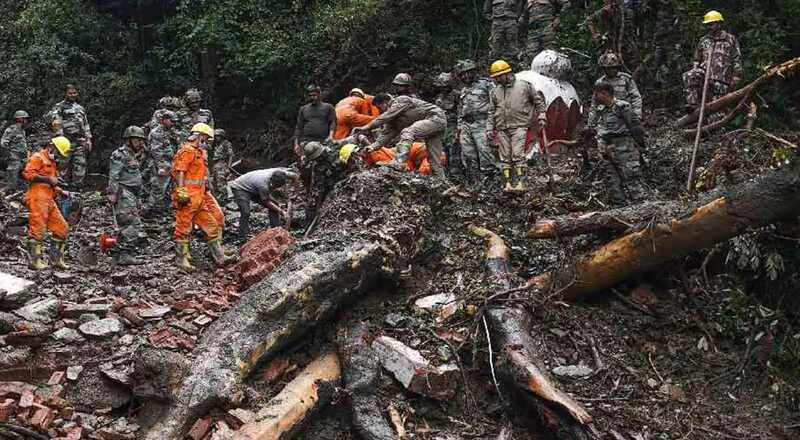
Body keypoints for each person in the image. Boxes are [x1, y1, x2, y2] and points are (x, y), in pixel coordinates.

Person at [171, 123, 235, 272]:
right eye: (205, 138)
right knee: (183, 228)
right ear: (198, 136)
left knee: (212, 226)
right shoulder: (187, 151)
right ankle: (181, 260)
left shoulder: (199, 153)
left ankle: (219, 257)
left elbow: (201, 176)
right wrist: (181, 190)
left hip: (199, 197)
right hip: (187, 197)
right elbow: (180, 171)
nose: (206, 141)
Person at [354, 94, 448, 180]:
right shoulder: (393, 121)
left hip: (435, 118)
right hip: (433, 126)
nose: (380, 111)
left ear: (385, 102)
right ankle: (442, 182)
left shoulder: (400, 100)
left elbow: (385, 117)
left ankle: (399, 162)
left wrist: (366, 127)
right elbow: (385, 135)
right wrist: (372, 147)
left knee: (407, 131)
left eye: (380, 107)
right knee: (434, 160)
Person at [486, 60, 546, 192]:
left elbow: (538, 101)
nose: (497, 79)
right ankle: (507, 184)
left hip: (519, 125)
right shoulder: (495, 91)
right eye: (495, 77)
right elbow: (491, 111)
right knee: (505, 157)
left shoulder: (524, 86)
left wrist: (542, 114)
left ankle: (521, 183)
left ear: (507, 73)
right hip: (502, 127)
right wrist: (490, 128)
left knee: (518, 155)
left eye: (499, 76)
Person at [587, 81, 646, 205]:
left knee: (631, 177)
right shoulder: (601, 110)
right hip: (606, 149)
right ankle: (620, 207)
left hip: (623, 147)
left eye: (596, 94)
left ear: (604, 93)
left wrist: (640, 145)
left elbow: (635, 127)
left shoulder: (622, 106)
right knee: (612, 180)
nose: (595, 98)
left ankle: (640, 206)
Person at [22, 137, 72, 270]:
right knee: (37, 230)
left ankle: (55, 259)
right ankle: (34, 262)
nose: (59, 156)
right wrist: (47, 179)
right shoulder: (38, 157)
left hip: (49, 198)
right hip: (37, 197)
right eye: (59, 153)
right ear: (52, 146)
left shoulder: (52, 162)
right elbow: (27, 174)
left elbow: (51, 183)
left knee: (62, 228)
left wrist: (60, 191)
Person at [682, 10, 742, 110]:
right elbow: (696, 59)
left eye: (711, 24)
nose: (709, 27)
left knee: (715, 113)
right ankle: (692, 104)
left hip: (721, 79)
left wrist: (736, 76)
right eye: (708, 25)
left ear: (719, 24)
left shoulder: (730, 39)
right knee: (689, 75)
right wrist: (695, 70)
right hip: (704, 76)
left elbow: (737, 59)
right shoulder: (704, 40)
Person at [107, 126, 149, 266]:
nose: (140, 143)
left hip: (132, 194)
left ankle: (118, 254)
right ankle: (125, 254)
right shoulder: (120, 154)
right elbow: (114, 176)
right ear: (129, 140)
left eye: (141, 140)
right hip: (123, 193)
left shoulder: (133, 155)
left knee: (128, 223)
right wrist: (112, 193)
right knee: (133, 224)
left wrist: (138, 198)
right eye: (137, 140)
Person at [229, 168, 299, 242]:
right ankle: (242, 237)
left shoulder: (283, 173)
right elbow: (266, 202)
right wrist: (282, 212)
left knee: (275, 204)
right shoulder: (263, 184)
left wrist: (295, 193)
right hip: (240, 188)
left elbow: (296, 176)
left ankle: (276, 230)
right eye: (275, 186)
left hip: (253, 185)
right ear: (271, 182)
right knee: (246, 212)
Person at [457, 60, 497, 185]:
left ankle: (489, 182)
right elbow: (460, 109)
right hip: (466, 125)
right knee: (468, 154)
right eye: (462, 74)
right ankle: (473, 182)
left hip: (482, 123)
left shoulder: (487, 84)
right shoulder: (463, 90)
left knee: (485, 153)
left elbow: (496, 103)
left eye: (467, 73)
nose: (465, 76)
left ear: (474, 71)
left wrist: (493, 124)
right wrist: (459, 127)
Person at [48, 84, 92, 188]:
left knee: (80, 165)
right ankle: (60, 189)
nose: (72, 95)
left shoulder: (80, 108)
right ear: (66, 94)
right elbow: (56, 122)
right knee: (63, 166)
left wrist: (88, 139)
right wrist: (60, 137)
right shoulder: (59, 106)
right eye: (70, 93)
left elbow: (86, 124)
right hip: (66, 140)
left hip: (80, 141)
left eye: (74, 93)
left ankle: (77, 189)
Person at [587, 53, 642, 129]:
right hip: (606, 118)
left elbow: (636, 97)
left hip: (624, 116)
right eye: (608, 68)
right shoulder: (600, 82)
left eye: (613, 68)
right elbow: (594, 104)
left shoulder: (626, 79)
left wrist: (636, 116)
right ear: (604, 69)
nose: (611, 70)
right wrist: (591, 124)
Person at [146, 110, 180, 217]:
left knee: (168, 188)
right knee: (158, 187)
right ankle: (152, 209)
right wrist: (161, 166)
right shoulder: (157, 132)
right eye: (171, 121)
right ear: (164, 120)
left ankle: (163, 209)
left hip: (170, 162)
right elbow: (156, 151)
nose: (173, 123)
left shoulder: (170, 131)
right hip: (161, 163)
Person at [433, 72, 463, 180]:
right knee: (443, 152)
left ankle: (456, 176)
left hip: (453, 125)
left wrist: (458, 129)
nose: (443, 89)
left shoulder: (457, 95)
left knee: (454, 151)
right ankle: (446, 176)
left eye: (445, 86)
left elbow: (460, 112)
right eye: (441, 87)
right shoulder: (439, 97)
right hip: (442, 126)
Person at [293, 85, 336, 156]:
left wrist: (331, 136)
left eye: (314, 95)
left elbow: (333, 122)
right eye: (310, 96)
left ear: (319, 94)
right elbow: (298, 127)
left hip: (324, 141)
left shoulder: (328, 107)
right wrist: (296, 144)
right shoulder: (303, 109)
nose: (312, 98)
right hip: (307, 141)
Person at [1, 110, 30, 194]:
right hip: (14, 160)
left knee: (23, 181)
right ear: (20, 119)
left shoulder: (22, 130)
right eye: (25, 119)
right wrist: (9, 156)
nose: (26, 121)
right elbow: (3, 144)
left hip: (22, 159)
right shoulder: (11, 129)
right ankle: (7, 199)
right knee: (11, 184)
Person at [211, 129, 234, 204]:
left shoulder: (226, 143)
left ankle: (224, 198)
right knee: (215, 181)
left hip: (221, 163)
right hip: (216, 163)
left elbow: (231, 155)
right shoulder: (216, 144)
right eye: (216, 136)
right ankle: (219, 197)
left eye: (218, 136)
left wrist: (229, 166)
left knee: (221, 182)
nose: (216, 137)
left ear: (222, 136)